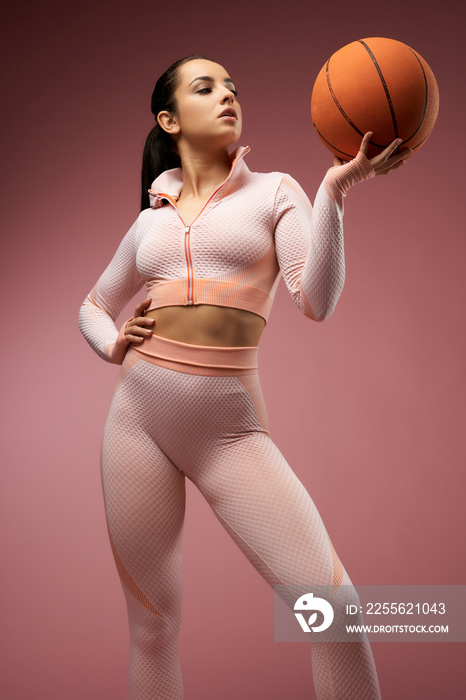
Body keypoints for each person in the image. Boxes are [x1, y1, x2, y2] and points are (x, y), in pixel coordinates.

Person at [78, 54, 409, 699]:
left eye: (233, 87)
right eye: (207, 88)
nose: (228, 96)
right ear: (169, 119)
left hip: (229, 433)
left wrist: (333, 193)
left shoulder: (277, 193)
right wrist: (112, 344)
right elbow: (92, 305)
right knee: (152, 629)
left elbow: (315, 300)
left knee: (334, 617)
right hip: (135, 425)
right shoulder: (150, 219)